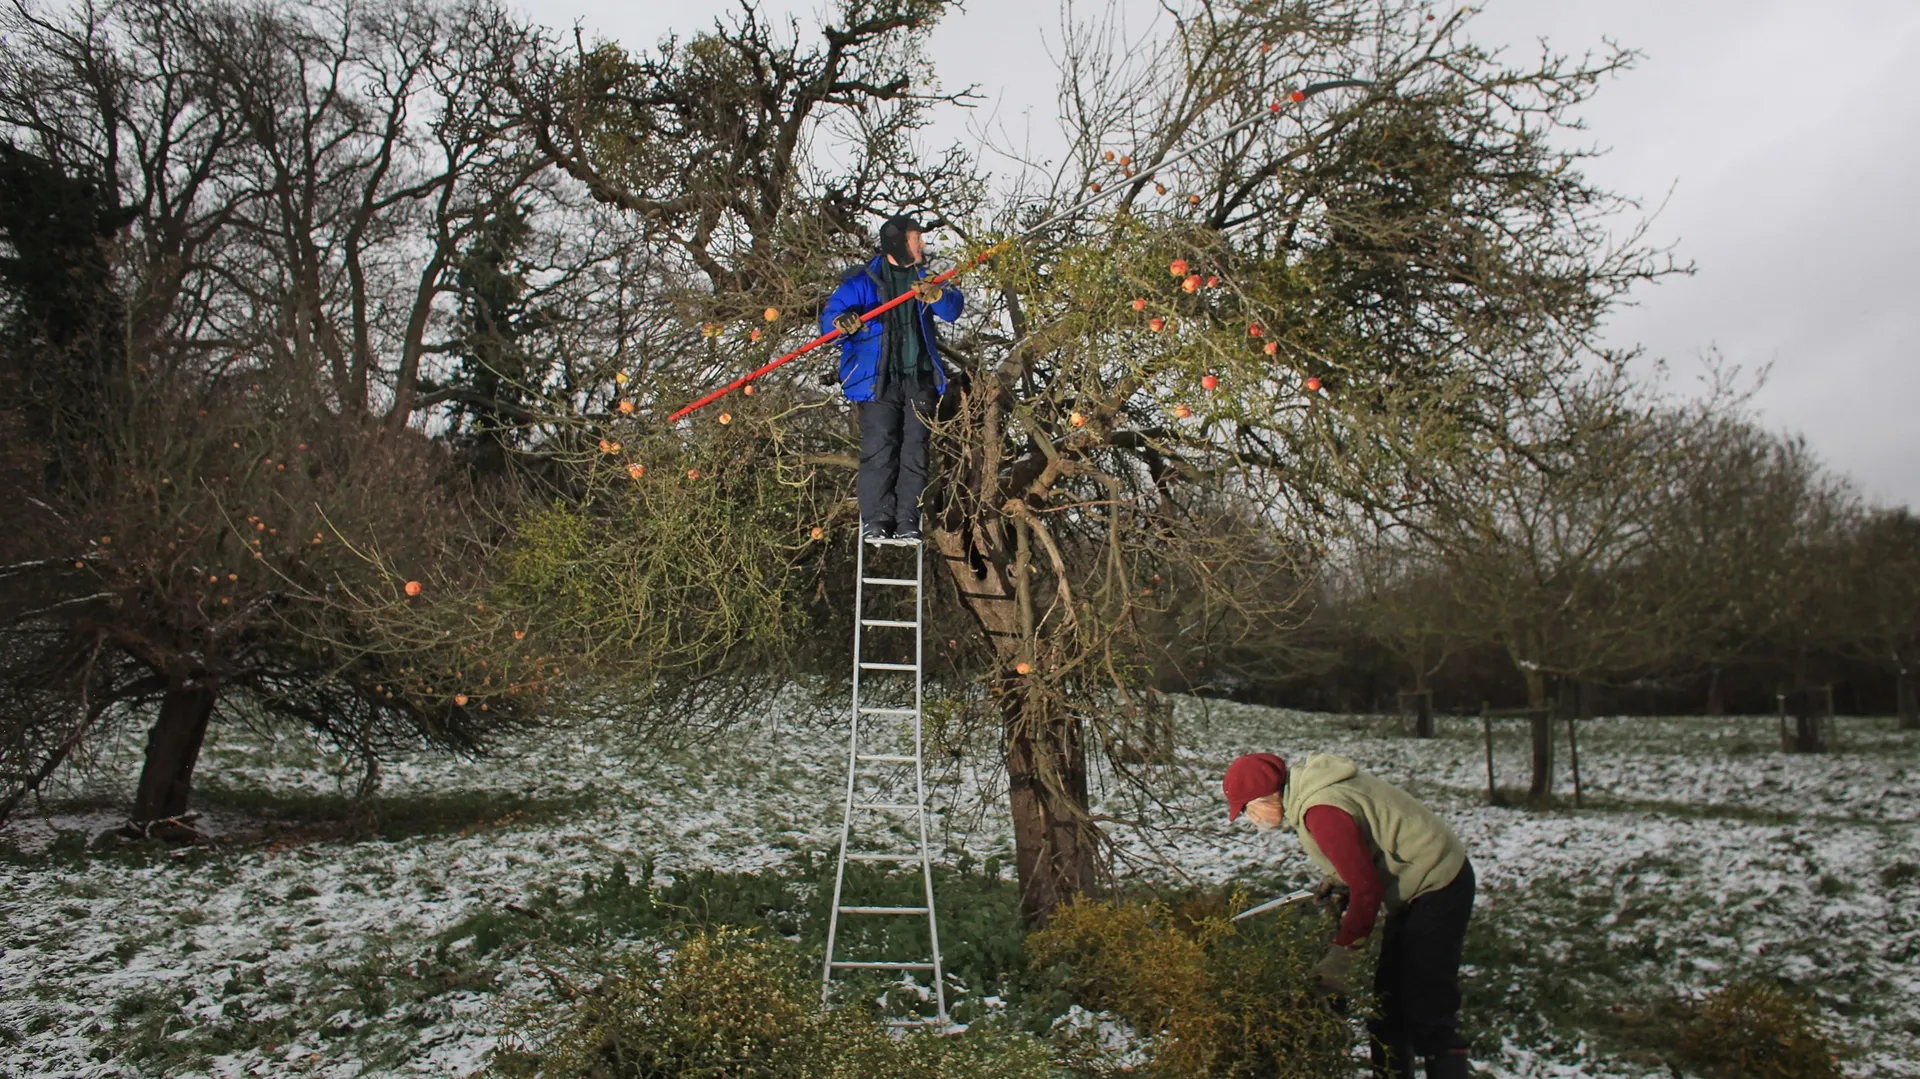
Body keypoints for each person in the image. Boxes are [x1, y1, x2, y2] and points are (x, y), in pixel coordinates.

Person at [1224, 751, 1477, 1079]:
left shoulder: (1321, 811)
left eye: (1247, 809)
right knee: (1387, 1011)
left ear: (1265, 796)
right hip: (1415, 886)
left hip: (1439, 881)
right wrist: (1341, 879)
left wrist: (1339, 962)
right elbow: (1362, 850)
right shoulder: (1310, 794)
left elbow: (1367, 892)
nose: (1250, 818)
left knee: (1427, 1007)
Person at [821, 214, 965, 543]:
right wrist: (841, 322)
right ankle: (877, 519)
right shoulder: (862, 280)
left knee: (915, 452)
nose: (922, 244)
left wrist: (938, 297)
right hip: (876, 380)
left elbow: (954, 308)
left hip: (920, 378)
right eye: (917, 238)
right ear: (899, 242)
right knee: (880, 450)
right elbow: (829, 321)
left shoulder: (927, 277)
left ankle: (907, 520)